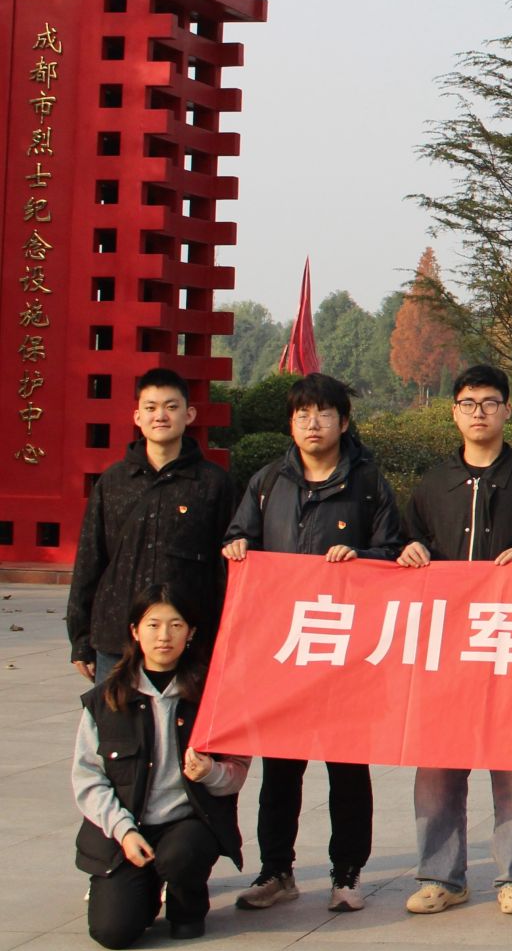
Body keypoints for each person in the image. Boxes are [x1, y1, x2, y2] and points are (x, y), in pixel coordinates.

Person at [221, 372, 402, 913]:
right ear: (291, 423)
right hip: (286, 649)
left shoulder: (368, 482)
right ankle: (277, 871)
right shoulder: (267, 482)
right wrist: (237, 546)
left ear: (343, 422)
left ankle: (348, 873)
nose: (312, 423)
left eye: (324, 413)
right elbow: (240, 535)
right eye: (302, 414)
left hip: (348, 650)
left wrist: (361, 558)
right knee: (281, 768)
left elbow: (394, 550)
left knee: (347, 768)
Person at [396, 364, 512, 917]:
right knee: (438, 767)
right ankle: (440, 877)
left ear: (507, 410)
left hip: (511, 642)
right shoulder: (434, 483)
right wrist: (410, 551)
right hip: (446, 645)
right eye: (468, 403)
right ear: (454, 412)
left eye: (490, 402)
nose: (479, 412)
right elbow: (407, 541)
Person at [72, 586, 248, 948]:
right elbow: (88, 779)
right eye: (153, 625)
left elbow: (237, 772)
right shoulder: (106, 699)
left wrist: (210, 773)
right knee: (113, 933)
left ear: (191, 632)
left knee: (182, 856)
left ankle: (187, 905)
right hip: (127, 829)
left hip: (187, 826)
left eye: (176, 625)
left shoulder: (212, 696)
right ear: (135, 631)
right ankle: (144, 888)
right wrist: (123, 831)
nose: (164, 636)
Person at [68, 369, 237, 683]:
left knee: (186, 716)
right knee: (116, 715)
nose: (160, 416)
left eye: (171, 407)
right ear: (137, 417)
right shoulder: (114, 482)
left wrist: (227, 635)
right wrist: (80, 638)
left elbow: (227, 569)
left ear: (189, 414)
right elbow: (90, 560)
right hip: (116, 637)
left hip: (190, 641)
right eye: (150, 407)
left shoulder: (213, 484)